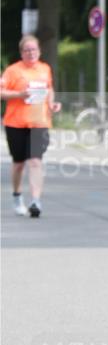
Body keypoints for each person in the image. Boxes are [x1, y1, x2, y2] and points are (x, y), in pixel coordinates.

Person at [1, 35, 61, 218]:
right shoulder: (13, 71)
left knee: (35, 161)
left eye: (34, 49)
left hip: (39, 123)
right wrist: (19, 94)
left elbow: (49, 89)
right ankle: (17, 196)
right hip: (16, 123)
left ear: (39, 51)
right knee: (19, 164)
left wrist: (52, 103)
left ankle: (36, 201)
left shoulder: (45, 69)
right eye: (27, 50)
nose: (31, 53)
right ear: (21, 53)